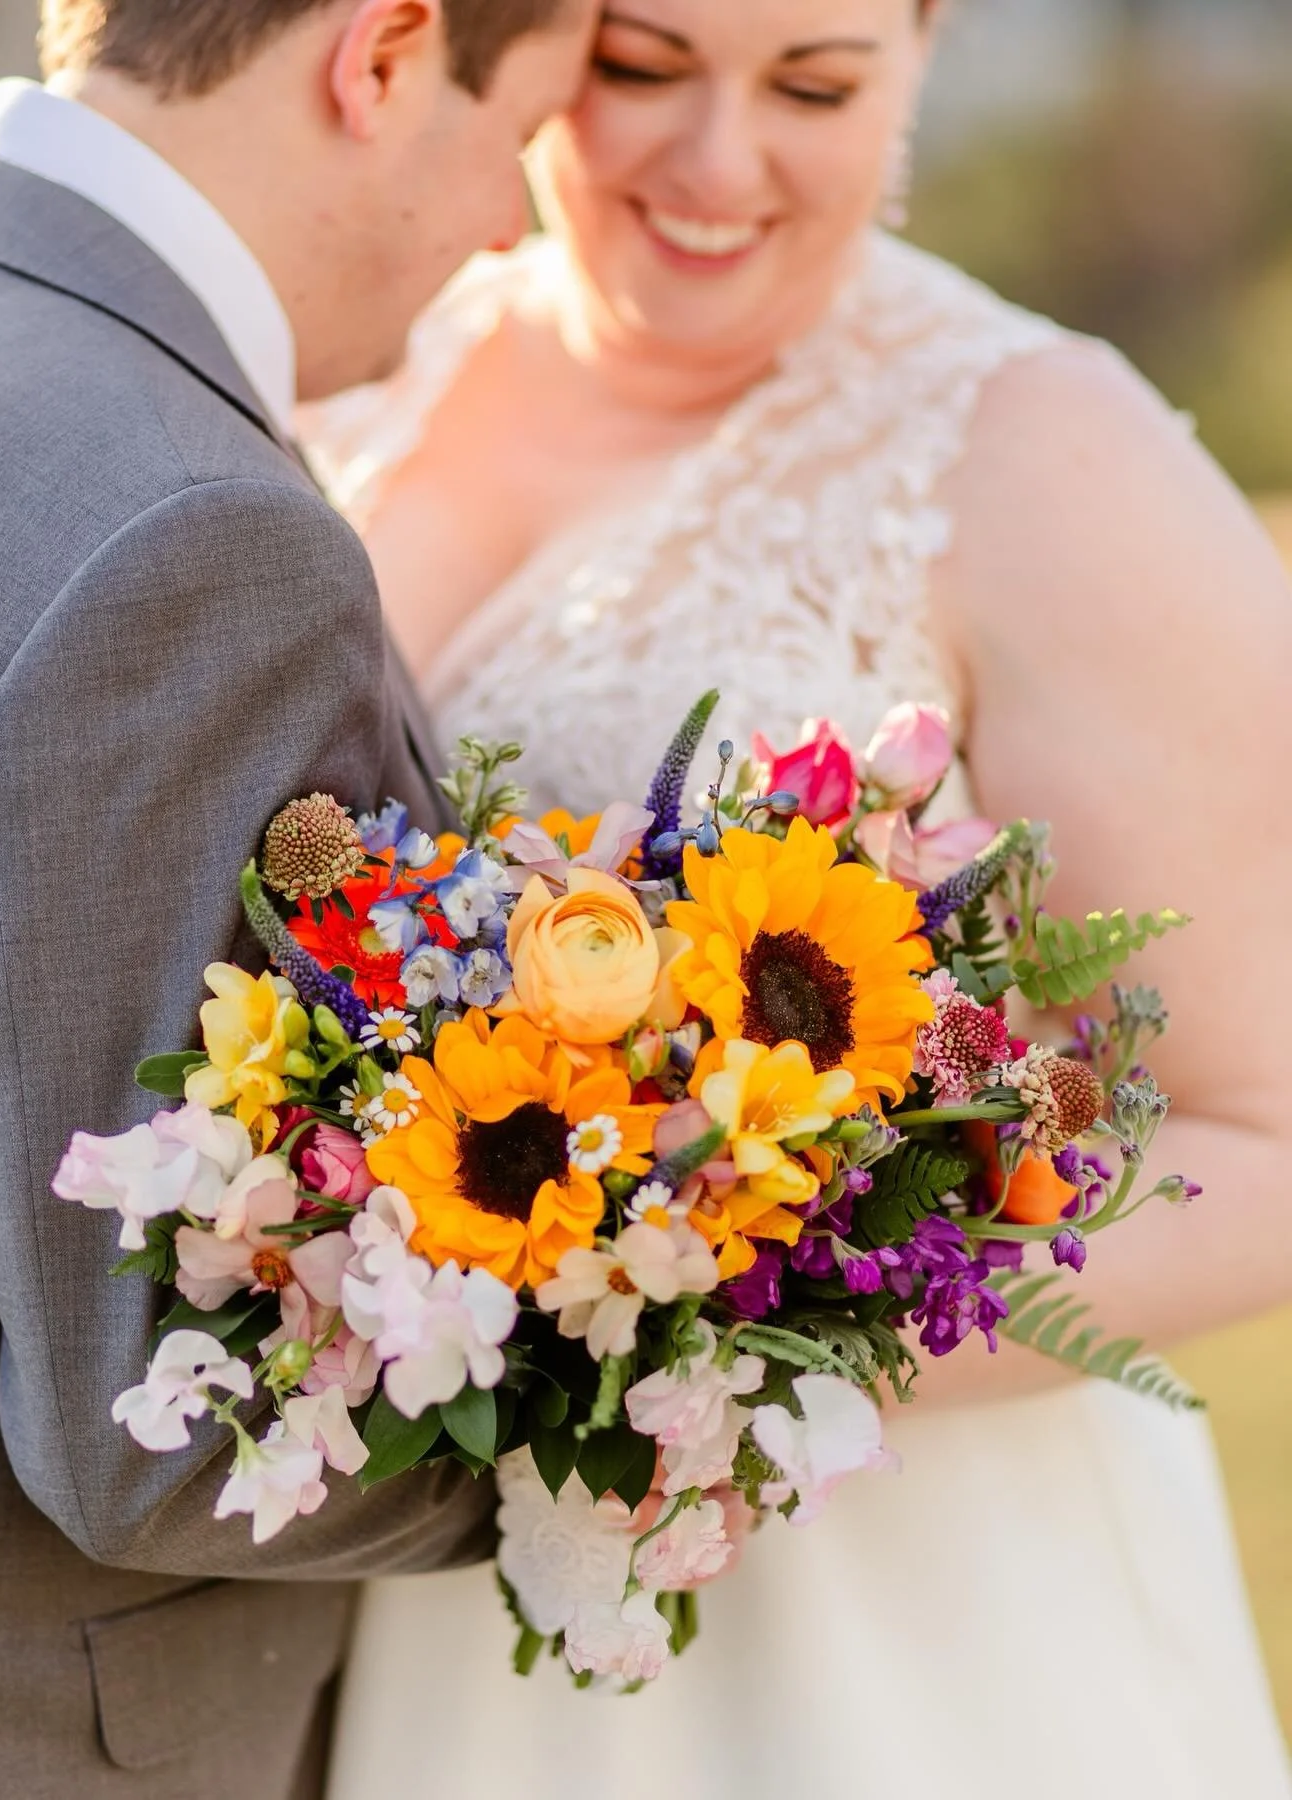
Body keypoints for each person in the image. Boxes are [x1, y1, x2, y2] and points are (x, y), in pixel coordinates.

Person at [302, 1, 1292, 1794]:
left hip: (899, 1649)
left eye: (814, 85)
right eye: (644, 66)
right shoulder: (358, 368)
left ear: (923, 55)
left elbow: (1273, 1135)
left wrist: (702, 1322)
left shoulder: (1046, 455)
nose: (718, 162)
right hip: (392, 1601)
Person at [0, 1, 597, 1796]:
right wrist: (668, 1418)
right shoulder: (180, 526)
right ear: (386, 52)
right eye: (527, 134)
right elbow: (167, 1435)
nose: (514, 224)